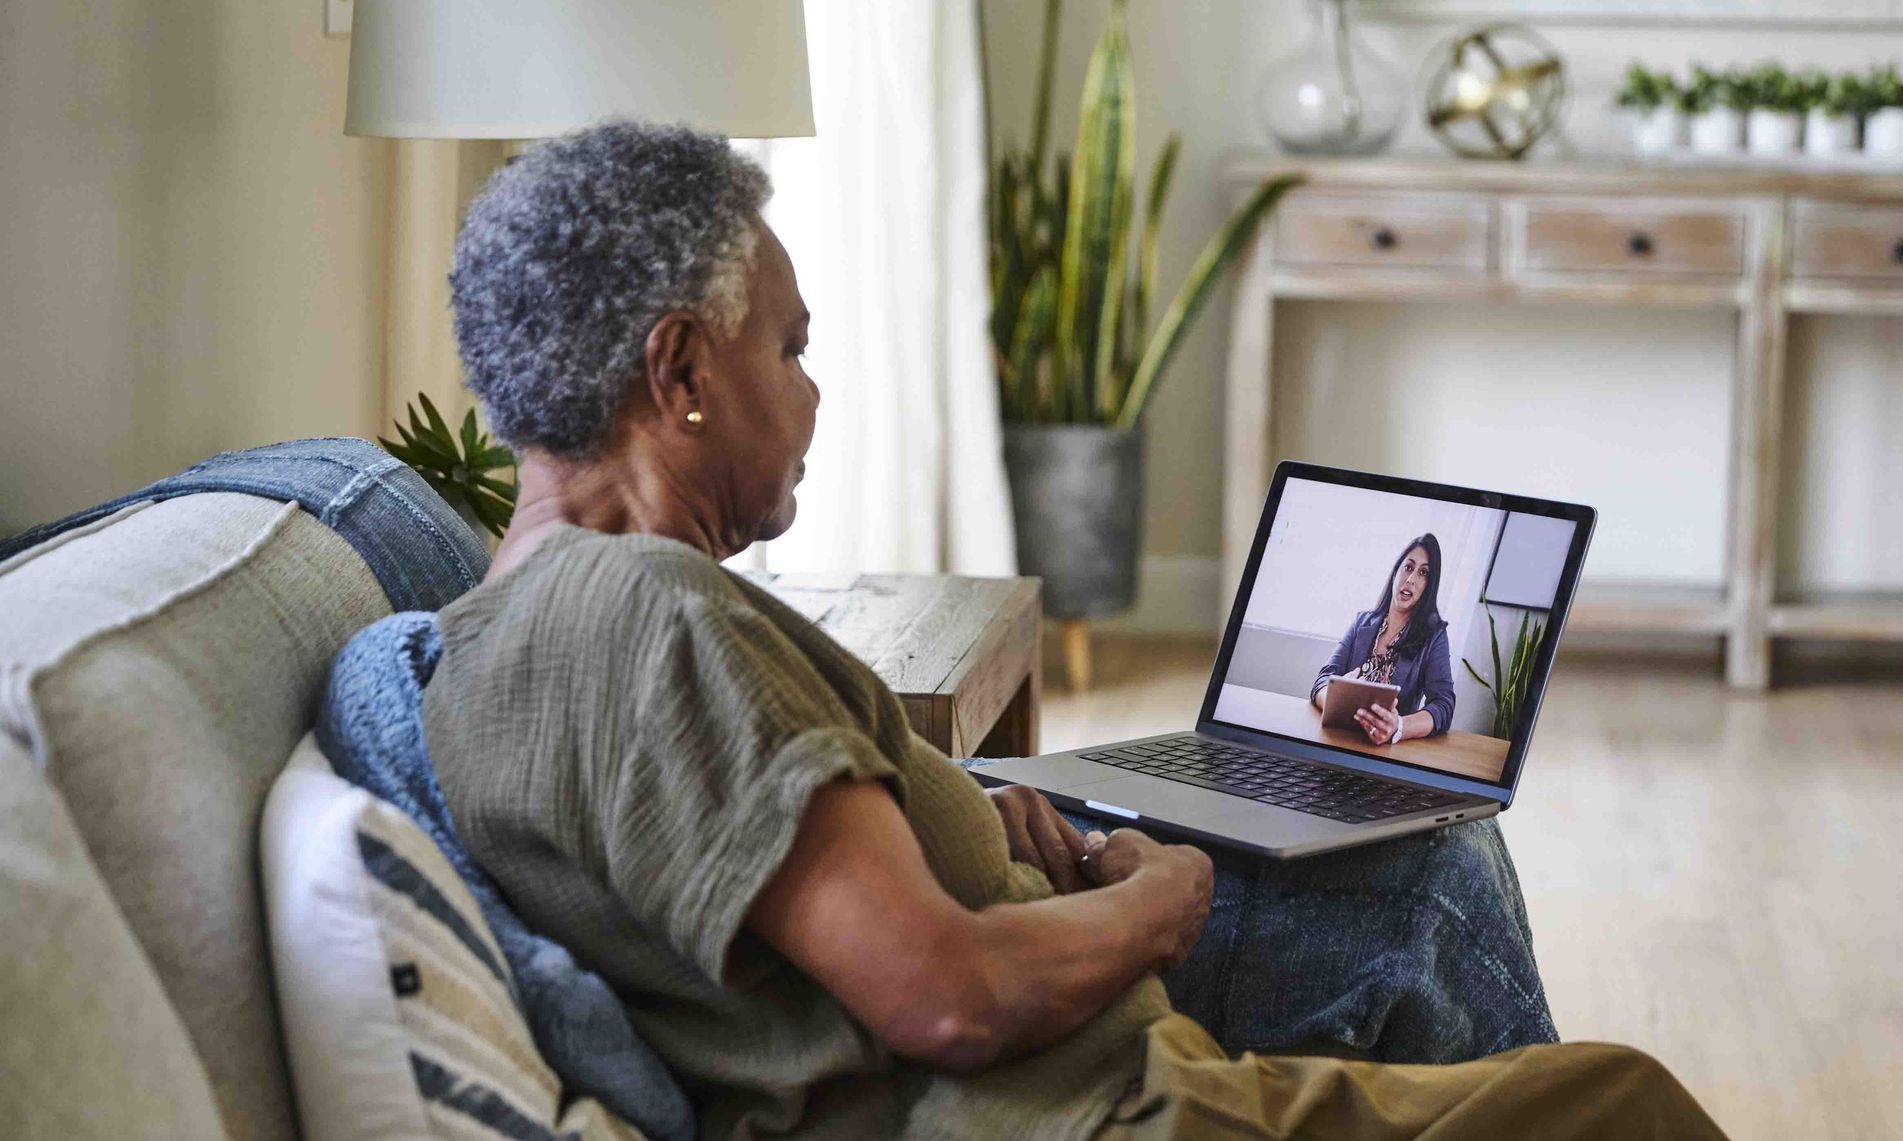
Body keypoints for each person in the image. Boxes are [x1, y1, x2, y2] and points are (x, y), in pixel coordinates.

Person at [420, 121, 1724, 1140]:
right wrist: (1157, 901)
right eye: (791, 346)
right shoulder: (648, 617)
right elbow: (945, 993)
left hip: (1074, 1068)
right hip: (1081, 1111)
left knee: (1429, 885)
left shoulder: (505, 624)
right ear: (683, 372)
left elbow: (760, 869)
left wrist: (975, 809)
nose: (813, 393)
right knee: (1617, 1100)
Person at [1312, 535, 1459, 746]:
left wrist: (1399, 726)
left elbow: (1444, 705)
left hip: (1385, 751)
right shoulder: (1361, 622)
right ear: (1395, 573)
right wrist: (1338, 702)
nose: (1411, 579)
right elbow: (1323, 680)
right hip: (1338, 740)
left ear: (1429, 586)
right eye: (1408, 567)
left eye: (1423, 573)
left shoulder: (1434, 636)